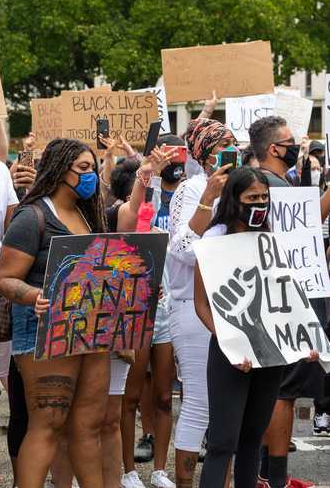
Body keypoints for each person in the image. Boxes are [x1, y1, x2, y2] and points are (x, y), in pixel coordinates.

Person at [0, 138, 110, 488]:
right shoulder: (32, 218)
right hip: (44, 331)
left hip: (90, 330)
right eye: (85, 169)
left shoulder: (88, 215)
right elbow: (5, 279)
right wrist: (33, 295)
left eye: (94, 168)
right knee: (48, 422)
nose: (92, 177)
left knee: (88, 427)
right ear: (61, 171)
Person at [193, 167, 290, 488]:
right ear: (235, 200)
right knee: (222, 442)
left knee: (252, 439)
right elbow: (202, 305)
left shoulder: (271, 238)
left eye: (264, 197)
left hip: (269, 352)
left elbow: (287, 299)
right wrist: (228, 342)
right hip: (229, 354)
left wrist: (301, 341)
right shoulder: (214, 238)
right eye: (252, 198)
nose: (260, 204)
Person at [248, 116, 330, 488]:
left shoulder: (270, 183)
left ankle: (267, 473)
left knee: (277, 389)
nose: (295, 144)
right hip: (287, 301)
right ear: (273, 148)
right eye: (289, 140)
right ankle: (273, 477)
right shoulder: (270, 185)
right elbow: (308, 226)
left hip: (281, 299)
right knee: (283, 392)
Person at [166, 118, 238, 488]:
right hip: (192, 306)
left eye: (233, 145)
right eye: (221, 148)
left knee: (227, 405)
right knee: (200, 402)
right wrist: (209, 198)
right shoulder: (190, 190)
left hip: (232, 303)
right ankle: (185, 482)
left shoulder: (243, 188)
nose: (231, 153)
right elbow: (181, 250)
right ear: (203, 156)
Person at [120, 134, 185, 488]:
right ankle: (128, 470)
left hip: (167, 310)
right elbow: (136, 223)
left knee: (163, 395)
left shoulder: (183, 200)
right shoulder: (137, 206)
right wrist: (147, 175)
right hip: (136, 307)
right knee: (130, 396)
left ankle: (160, 469)